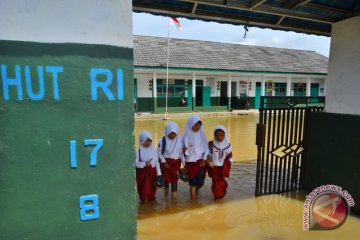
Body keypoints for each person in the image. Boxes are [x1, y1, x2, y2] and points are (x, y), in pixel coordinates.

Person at [182, 115, 211, 199]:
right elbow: (181, 150)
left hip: (200, 162)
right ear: (190, 124)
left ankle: (196, 190)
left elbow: (206, 149)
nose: (197, 126)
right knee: (192, 182)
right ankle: (193, 200)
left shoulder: (202, 135)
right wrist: (183, 162)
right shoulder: (185, 136)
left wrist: (204, 159)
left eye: (199, 124)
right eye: (195, 124)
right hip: (190, 162)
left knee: (200, 182)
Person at [158, 122, 185, 199]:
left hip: (175, 164)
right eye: (170, 133)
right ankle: (166, 196)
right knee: (166, 181)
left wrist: (185, 164)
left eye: (174, 133)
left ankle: (173, 199)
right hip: (165, 164)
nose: (172, 135)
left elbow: (181, 154)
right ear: (167, 132)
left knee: (174, 181)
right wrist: (164, 162)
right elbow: (159, 152)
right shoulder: (162, 140)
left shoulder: (179, 141)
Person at [207, 125, 233, 200]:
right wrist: (209, 159)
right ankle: (217, 197)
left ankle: (219, 196)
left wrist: (229, 165)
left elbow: (230, 155)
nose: (219, 137)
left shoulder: (227, 144)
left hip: (223, 167)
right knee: (215, 183)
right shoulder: (211, 144)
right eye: (217, 135)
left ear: (224, 135)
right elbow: (208, 153)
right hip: (214, 167)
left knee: (220, 182)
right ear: (214, 135)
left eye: (221, 135)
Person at [135, 131, 161, 203]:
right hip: (143, 175)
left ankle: (151, 208)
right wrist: (144, 164)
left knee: (152, 192)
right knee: (144, 192)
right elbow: (135, 164)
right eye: (145, 141)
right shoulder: (138, 152)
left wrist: (159, 174)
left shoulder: (154, 151)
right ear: (142, 141)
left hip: (152, 174)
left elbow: (156, 163)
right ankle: (145, 204)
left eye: (149, 141)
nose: (148, 143)